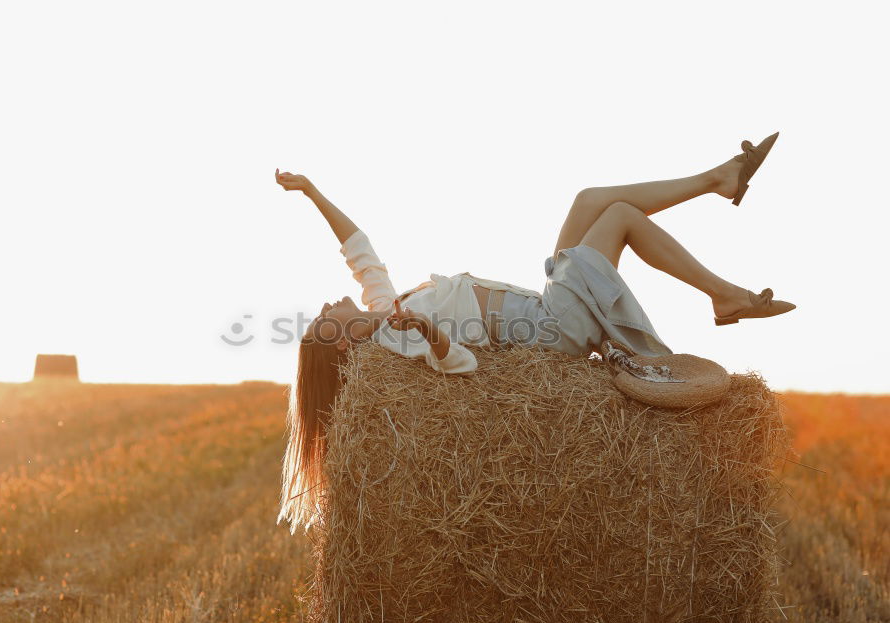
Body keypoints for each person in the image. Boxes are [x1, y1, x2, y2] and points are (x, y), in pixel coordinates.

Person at [276, 133, 795, 533]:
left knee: (588, 199)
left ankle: (718, 180)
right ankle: (723, 294)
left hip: (545, 304)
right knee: (616, 217)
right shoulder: (393, 341)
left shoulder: (385, 308)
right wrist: (429, 330)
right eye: (324, 318)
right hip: (551, 331)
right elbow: (460, 364)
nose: (326, 303)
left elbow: (358, 248)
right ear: (342, 342)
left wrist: (311, 191)